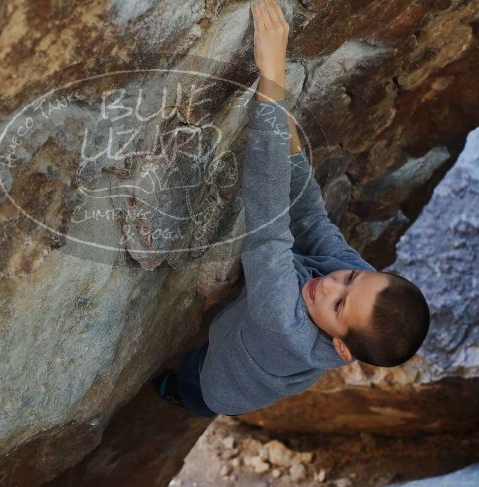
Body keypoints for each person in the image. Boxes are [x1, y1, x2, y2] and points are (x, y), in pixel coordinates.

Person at [152, 0, 430, 417]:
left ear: (340, 345)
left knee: (192, 382)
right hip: (249, 341)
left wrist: (272, 79)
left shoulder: (285, 319)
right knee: (214, 341)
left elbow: (268, 221)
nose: (331, 285)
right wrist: (283, 126)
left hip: (226, 385)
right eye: (352, 276)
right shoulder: (352, 292)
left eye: (338, 305)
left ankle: (177, 392)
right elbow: (308, 216)